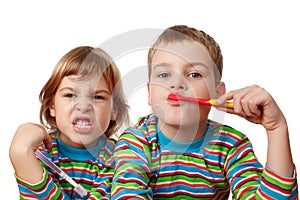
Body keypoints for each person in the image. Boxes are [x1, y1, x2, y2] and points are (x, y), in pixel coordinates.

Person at [111, 25, 298, 199]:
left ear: (217, 94)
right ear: (150, 94)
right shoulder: (134, 142)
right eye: (164, 75)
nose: (176, 84)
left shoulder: (230, 145)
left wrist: (276, 129)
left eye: (194, 74)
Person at [9, 46, 129, 199]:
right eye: (70, 95)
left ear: (114, 110)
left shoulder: (119, 158)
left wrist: (21, 157)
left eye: (98, 97)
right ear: (52, 105)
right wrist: (22, 153)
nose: (83, 106)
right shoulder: (40, 151)